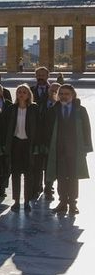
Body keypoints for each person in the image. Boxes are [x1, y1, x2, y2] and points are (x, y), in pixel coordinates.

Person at [45, 84, 92, 215]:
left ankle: (73, 204)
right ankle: (62, 202)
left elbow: (86, 129)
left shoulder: (80, 110)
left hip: (75, 149)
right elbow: (48, 130)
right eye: (61, 94)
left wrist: (87, 147)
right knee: (60, 177)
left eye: (67, 94)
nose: (63, 96)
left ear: (73, 95)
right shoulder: (54, 110)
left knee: (73, 176)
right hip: (58, 149)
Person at [4, 85, 39, 212]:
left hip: (29, 144)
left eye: (24, 92)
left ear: (29, 94)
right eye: (19, 92)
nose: (21, 94)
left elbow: (39, 127)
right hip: (15, 144)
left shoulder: (34, 108)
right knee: (16, 174)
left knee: (29, 174)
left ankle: (27, 201)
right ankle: (16, 201)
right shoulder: (11, 109)